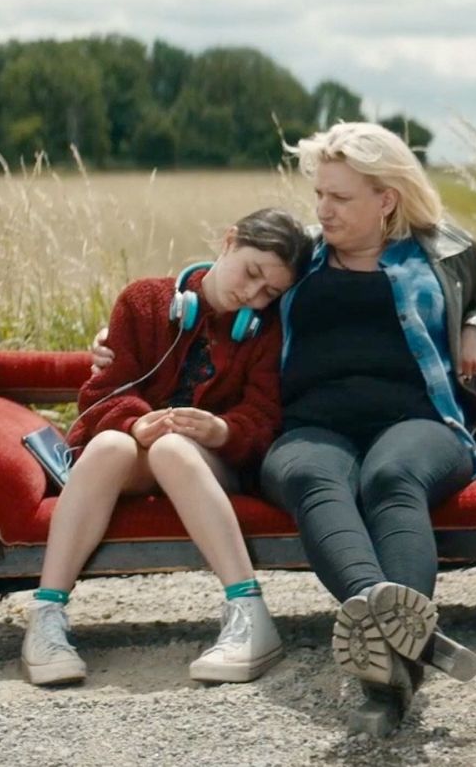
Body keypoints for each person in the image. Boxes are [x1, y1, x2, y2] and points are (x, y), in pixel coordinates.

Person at [90, 123, 476, 713]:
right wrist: (120, 337)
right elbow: (216, 290)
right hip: (309, 428)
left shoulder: (445, 249)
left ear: (386, 200)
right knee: (309, 477)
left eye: (339, 197)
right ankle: (398, 638)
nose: (322, 209)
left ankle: (388, 650)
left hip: (420, 420)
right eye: (320, 193)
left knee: (391, 478)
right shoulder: (302, 259)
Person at [22, 207, 312, 687]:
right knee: (109, 446)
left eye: (270, 292)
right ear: (229, 240)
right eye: (251, 272)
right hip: (133, 454)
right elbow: (103, 393)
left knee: (172, 449)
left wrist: (221, 431)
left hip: (208, 461)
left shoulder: (266, 329)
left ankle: (249, 611)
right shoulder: (143, 301)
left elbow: (264, 416)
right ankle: (46, 619)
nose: (253, 295)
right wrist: (135, 424)